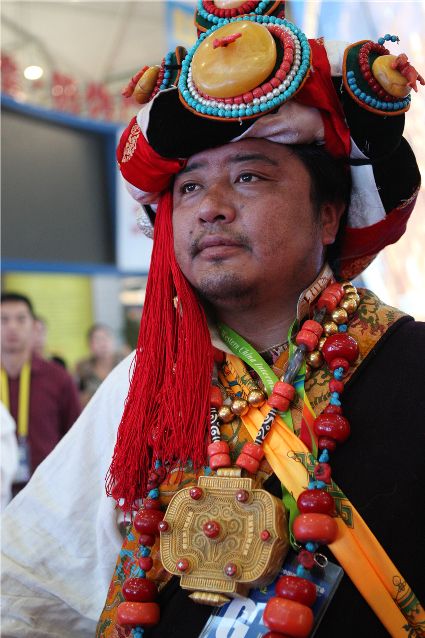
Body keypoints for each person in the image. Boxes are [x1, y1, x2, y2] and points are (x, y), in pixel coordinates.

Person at [2, 5, 424, 638]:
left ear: (329, 216)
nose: (210, 209)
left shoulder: (409, 363)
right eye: (190, 188)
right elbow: (31, 588)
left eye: (249, 176)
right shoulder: (143, 384)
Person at [0, 292, 81, 492]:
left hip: (46, 492)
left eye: (21, 319)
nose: (12, 327)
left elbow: (76, 438)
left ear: (34, 326)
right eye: (3, 319)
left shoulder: (58, 378)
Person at [75, 324, 124, 407]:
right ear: (90, 345)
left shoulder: (125, 365)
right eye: (97, 340)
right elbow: (79, 398)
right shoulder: (83, 370)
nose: (103, 344)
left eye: (106, 338)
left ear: (114, 340)